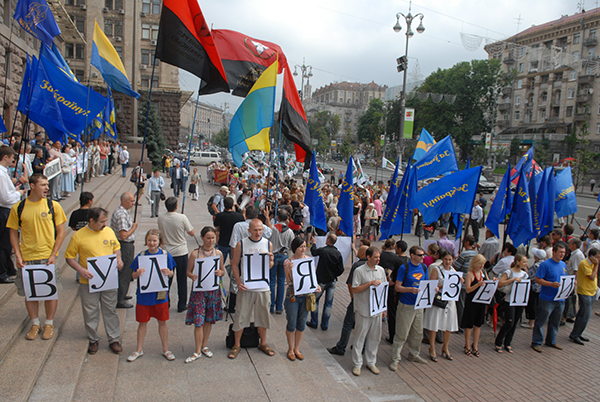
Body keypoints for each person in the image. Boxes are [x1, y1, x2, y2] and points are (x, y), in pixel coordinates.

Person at [7, 173, 67, 340]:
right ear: (32, 186)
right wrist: (17, 255)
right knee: (30, 293)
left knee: (51, 293)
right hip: (26, 258)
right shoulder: (18, 208)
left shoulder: (53, 206)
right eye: (43, 185)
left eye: (47, 185)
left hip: (47, 257)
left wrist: (54, 253)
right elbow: (13, 233)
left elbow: (61, 232)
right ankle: (35, 323)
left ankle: (49, 323)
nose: (47, 188)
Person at [65, 207, 124, 354]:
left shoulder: (109, 231)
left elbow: (116, 246)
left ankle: (114, 339)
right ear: (91, 221)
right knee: (90, 310)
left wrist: (118, 258)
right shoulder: (78, 236)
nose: (105, 224)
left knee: (110, 309)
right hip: (89, 281)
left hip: (108, 278)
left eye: (106, 221)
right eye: (102, 222)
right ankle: (93, 339)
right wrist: (80, 270)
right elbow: (69, 257)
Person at [127, 229, 176, 362]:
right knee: (142, 322)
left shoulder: (166, 255)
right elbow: (132, 275)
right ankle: (138, 349)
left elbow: (172, 273)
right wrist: (137, 273)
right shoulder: (141, 255)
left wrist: (168, 273)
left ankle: (165, 348)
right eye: (149, 240)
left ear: (159, 242)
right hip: (144, 295)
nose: (152, 243)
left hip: (160, 294)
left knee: (162, 322)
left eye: (154, 240)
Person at [228, 219, 275, 359]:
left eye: (260, 230)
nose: (258, 232)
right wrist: (238, 281)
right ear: (249, 230)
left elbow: (269, 266)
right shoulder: (241, 244)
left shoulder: (268, 244)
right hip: (246, 286)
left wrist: (271, 260)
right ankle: (237, 344)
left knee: (263, 316)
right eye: (255, 230)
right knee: (241, 315)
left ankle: (263, 343)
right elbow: (234, 264)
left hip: (262, 287)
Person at [184, 227, 225, 363]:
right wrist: (192, 276)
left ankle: (204, 345)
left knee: (209, 319)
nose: (211, 240)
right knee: (198, 321)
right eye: (208, 238)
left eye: (213, 238)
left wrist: (220, 273)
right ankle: (197, 350)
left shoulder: (218, 253)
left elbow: (223, 270)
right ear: (202, 238)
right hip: (199, 292)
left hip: (213, 291)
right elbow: (188, 271)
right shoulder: (195, 254)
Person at [389, 246, 430, 370]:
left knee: (417, 332)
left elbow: (426, 283)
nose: (423, 257)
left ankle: (414, 354)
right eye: (420, 255)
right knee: (402, 333)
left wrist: (433, 289)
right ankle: (395, 358)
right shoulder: (404, 268)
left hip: (418, 305)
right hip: (406, 304)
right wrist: (410, 290)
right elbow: (397, 287)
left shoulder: (424, 267)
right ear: (412, 255)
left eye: (423, 255)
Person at [283, 237, 321, 361]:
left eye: (305, 246)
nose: (303, 249)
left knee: (302, 323)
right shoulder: (288, 261)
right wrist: (289, 269)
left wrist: (316, 286)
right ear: (295, 248)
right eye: (301, 247)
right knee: (292, 322)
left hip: (306, 296)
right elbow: (288, 281)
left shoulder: (308, 260)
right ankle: (290, 348)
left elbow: (311, 278)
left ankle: (297, 348)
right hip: (293, 295)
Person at [350, 246, 387, 376]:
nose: (378, 259)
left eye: (379, 257)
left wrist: (383, 308)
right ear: (368, 257)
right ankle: (357, 363)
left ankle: (371, 362)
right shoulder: (359, 271)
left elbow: (383, 289)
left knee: (374, 337)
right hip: (363, 309)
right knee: (360, 337)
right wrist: (369, 284)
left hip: (377, 310)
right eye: (376, 257)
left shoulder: (381, 270)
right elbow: (354, 289)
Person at [327, 245, 368, 356]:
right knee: (364, 325)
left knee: (348, 324)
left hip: (357, 299)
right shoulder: (372, 266)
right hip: (368, 302)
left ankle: (341, 347)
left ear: (363, 253)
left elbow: (350, 284)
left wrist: (352, 297)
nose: (357, 252)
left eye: (359, 250)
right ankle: (362, 346)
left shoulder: (357, 266)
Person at [158, 197, 195, 313]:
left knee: (166, 279)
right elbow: (192, 233)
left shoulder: (161, 218)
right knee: (182, 279)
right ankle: (182, 304)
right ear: (176, 207)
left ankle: (166, 302)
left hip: (166, 251)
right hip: (180, 251)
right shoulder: (182, 217)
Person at [531, 242, 568, 353]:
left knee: (555, 321)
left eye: (564, 252)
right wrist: (551, 284)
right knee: (541, 320)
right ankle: (536, 342)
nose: (562, 254)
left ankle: (551, 340)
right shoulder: (545, 265)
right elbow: (538, 279)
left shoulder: (563, 264)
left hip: (560, 298)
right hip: (547, 298)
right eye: (560, 252)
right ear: (554, 252)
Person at [423, 250, 458, 361]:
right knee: (435, 325)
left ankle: (445, 348)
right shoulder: (436, 270)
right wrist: (441, 286)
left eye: (450, 259)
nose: (448, 262)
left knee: (448, 325)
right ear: (442, 259)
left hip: (450, 301)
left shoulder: (453, 270)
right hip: (439, 301)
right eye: (446, 259)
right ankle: (432, 348)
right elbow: (431, 285)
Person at [306, 232, 344, 331]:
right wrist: (334, 274)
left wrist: (313, 243)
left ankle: (314, 321)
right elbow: (341, 269)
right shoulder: (338, 253)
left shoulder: (323, 251)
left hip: (321, 280)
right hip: (332, 281)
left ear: (328, 240)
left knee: (315, 300)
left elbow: (314, 252)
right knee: (328, 303)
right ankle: (325, 324)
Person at [0, 146, 27, 283]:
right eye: (12, 158)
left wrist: (14, 190)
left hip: (7, 209)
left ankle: (8, 268)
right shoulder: (0, 173)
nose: (13, 160)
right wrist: (19, 193)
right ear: (5, 157)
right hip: (4, 210)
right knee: (4, 243)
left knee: (7, 243)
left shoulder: (3, 172)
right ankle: (2, 272)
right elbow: (5, 198)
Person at [494, 254, 529, 353]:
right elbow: (500, 283)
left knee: (515, 323)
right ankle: (499, 341)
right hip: (509, 300)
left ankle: (508, 343)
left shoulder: (524, 274)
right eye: (524, 262)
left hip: (520, 300)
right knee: (509, 322)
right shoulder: (509, 272)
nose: (525, 264)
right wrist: (512, 280)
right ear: (518, 262)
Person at [110, 192, 138, 309]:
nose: (133, 203)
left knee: (126, 270)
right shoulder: (121, 214)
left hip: (126, 245)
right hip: (124, 245)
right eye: (131, 201)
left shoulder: (123, 212)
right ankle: (120, 299)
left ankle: (123, 293)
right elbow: (123, 235)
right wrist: (133, 228)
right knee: (125, 272)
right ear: (124, 201)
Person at [569, 248, 599, 345]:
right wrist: (597, 265)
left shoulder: (592, 264)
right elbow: (592, 277)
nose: (598, 259)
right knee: (585, 314)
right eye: (597, 257)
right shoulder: (585, 263)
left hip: (591, 292)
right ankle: (575, 335)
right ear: (591, 256)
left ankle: (578, 332)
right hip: (584, 292)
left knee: (583, 314)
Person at [461, 254, 489, 357]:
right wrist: (477, 284)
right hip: (472, 302)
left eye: (483, 264)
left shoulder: (483, 273)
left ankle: (475, 345)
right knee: (469, 325)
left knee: (478, 324)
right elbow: (468, 289)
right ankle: (467, 344)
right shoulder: (470, 274)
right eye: (480, 264)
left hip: (481, 301)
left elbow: (487, 283)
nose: (481, 266)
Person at [270, 208, 295, 314]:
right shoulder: (290, 231)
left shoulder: (272, 228)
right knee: (281, 282)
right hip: (284, 256)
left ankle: (271, 306)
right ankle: (279, 307)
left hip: (273, 256)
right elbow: (291, 246)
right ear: (287, 219)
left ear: (277, 217)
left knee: (271, 281)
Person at [214, 197, 244, 265]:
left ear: (224, 205)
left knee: (219, 264)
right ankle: (234, 275)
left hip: (223, 242)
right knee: (234, 264)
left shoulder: (220, 215)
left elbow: (216, 225)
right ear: (233, 204)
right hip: (234, 243)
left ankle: (219, 275)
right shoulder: (239, 216)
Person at [522, 249, 545, 329]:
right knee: (537, 304)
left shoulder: (536, 266)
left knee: (532, 305)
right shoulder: (544, 264)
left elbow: (530, 276)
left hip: (534, 287)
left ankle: (531, 322)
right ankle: (533, 321)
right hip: (541, 288)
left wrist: (525, 269)